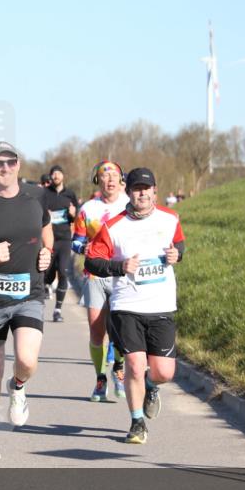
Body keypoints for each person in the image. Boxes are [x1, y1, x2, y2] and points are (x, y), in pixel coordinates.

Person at [86, 167, 185, 444]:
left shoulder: (170, 218)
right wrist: (120, 267)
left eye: (146, 188)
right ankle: (137, 422)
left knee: (164, 372)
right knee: (134, 363)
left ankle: (151, 386)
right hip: (127, 305)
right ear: (128, 192)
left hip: (161, 305)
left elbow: (179, 245)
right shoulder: (113, 226)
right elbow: (92, 261)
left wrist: (177, 255)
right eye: (136, 189)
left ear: (155, 191)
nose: (142, 193)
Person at [0, 142, 52, 460]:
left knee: (27, 360)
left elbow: (46, 229)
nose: (5, 167)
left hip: (29, 294)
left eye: (10, 161)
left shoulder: (35, 200)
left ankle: (17, 386)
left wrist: (47, 252)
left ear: (18, 164)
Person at [72, 160, 130, 401]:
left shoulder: (130, 206)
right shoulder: (88, 209)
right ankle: (100, 378)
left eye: (115, 175)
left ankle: (118, 368)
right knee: (97, 332)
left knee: (122, 330)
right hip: (95, 276)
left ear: (121, 180)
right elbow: (76, 241)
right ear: (98, 181)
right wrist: (85, 248)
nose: (110, 179)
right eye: (104, 176)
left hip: (122, 276)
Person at [42, 164, 79, 322]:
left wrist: (73, 214)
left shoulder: (70, 194)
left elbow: (76, 216)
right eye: (54, 173)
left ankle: (57, 310)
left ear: (63, 176)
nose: (56, 176)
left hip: (64, 238)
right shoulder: (45, 193)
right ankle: (46, 286)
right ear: (51, 176)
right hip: (48, 239)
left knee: (63, 271)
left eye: (59, 173)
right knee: (47, 273)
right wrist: (45, 214)